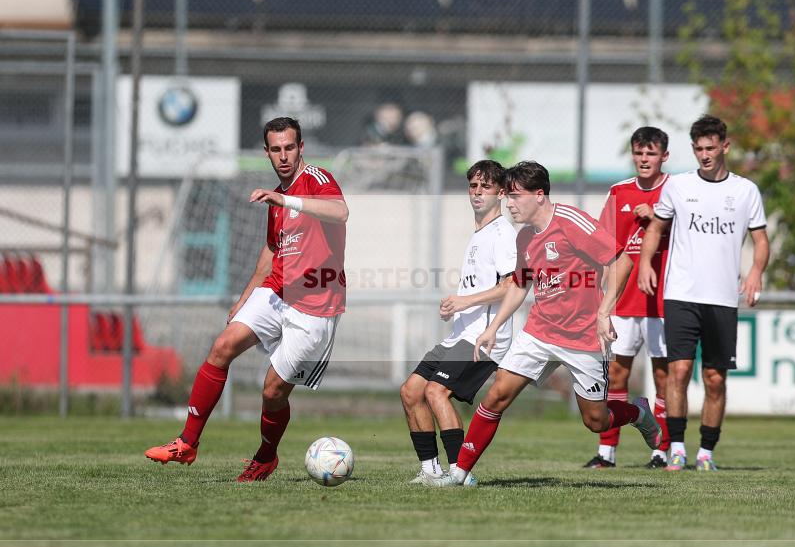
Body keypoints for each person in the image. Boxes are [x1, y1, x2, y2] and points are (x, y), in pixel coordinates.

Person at [145, 116, 349, 482]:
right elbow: (272, 250)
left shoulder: (316, 180)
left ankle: (266, 456)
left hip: (315, 304)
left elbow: (341, 212)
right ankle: (187, 443)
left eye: (290, 147)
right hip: (277, 290)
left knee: (272, 391)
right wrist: (245, 297)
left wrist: (285, 198)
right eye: (276, 149)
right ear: (267, 152)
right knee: (222, 346)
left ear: (301, 148)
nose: (284, 156)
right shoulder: (276, 200)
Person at [448, 161, 662, 486]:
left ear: (539, 195)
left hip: (583, 337)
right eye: (508, 197)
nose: (509, 204)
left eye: (515, 197)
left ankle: (637, 413)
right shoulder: (524, 238)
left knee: (596, 420)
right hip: (539, 332)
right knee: (497, 396)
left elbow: (622, 260)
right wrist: (493, 327)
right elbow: (520, 284)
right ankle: (459, 473)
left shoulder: (570, 221)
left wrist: (604, 312)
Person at [637, 114, 769, 472]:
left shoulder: (745, 191)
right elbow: (656, 228)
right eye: (698, 149)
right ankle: (677, 448)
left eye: (711, 148)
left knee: (714, 378)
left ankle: (707, 452)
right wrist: (647, 263)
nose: (704, 155)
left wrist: (755, 272)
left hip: (723, 298)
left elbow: (760, 241)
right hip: (680, 293)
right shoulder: (678, 186)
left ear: (725, 147)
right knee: (678, 371)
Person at [399, 160, 517, 487]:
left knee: (437, 392)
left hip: (484, 338)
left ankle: (459, 473)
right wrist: (457, 303)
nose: (477, 193)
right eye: (473, 186)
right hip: (461, 334)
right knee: (412, 391)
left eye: (486, 187)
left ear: (501, 192)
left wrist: (465, 301)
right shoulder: (479, 233)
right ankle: (430, 471)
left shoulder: (503, 232)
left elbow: (512, 284)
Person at [585, 127, 673, 470]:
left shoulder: (675, 191)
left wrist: (657, 219)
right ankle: (607, 453)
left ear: (664, 156)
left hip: (663, 300)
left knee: (663, 376)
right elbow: (603, 245)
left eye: (651, 153)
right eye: (639, 153)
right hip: (624, 301)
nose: (644, 159)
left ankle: (660, 451)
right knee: (616, 375)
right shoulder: (619, 192)